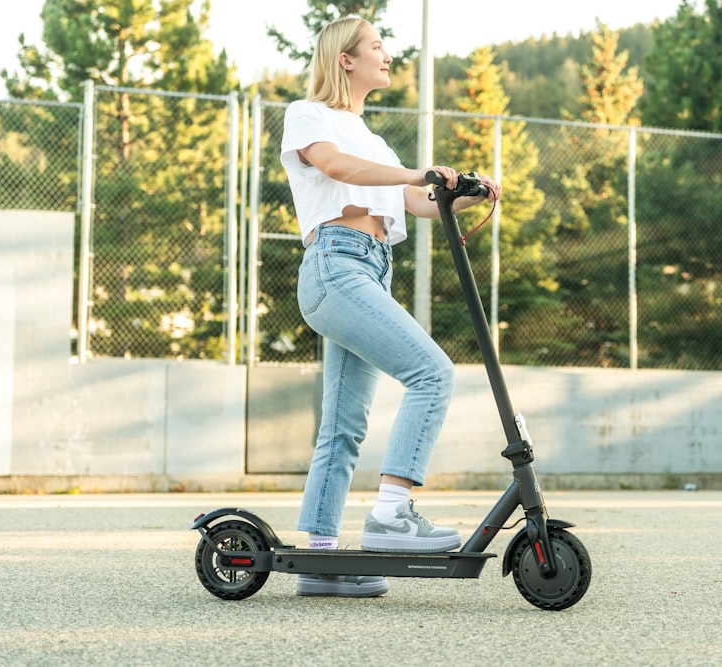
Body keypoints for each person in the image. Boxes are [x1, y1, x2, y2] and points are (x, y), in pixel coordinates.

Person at [280, 16, 501, 598]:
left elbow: (411, 198)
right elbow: (337, 168)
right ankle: (392, 513)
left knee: (342, 426)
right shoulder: (309, 116)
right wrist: (414, 173)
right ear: (345, 59)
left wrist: (452, 192)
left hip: (370, 271)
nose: (388, 54)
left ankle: (320, 563)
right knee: (431, 373)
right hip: (335, 264)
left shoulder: (374, 140)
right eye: (376, 46)